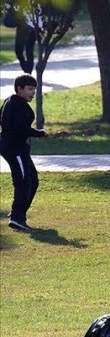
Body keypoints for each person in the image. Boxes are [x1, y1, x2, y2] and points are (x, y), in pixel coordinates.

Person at [0, 74, 47, 231]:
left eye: (34, 89)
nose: (33, 93)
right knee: (23, 181)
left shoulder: (10, 100)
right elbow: (20, 129)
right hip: (15, 149)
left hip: (17, 149)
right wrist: (39, 133)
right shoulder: (18, 105)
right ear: (19, 89)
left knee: (33, 180)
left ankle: (18, 213)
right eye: (30, 89)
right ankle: (17, 218)